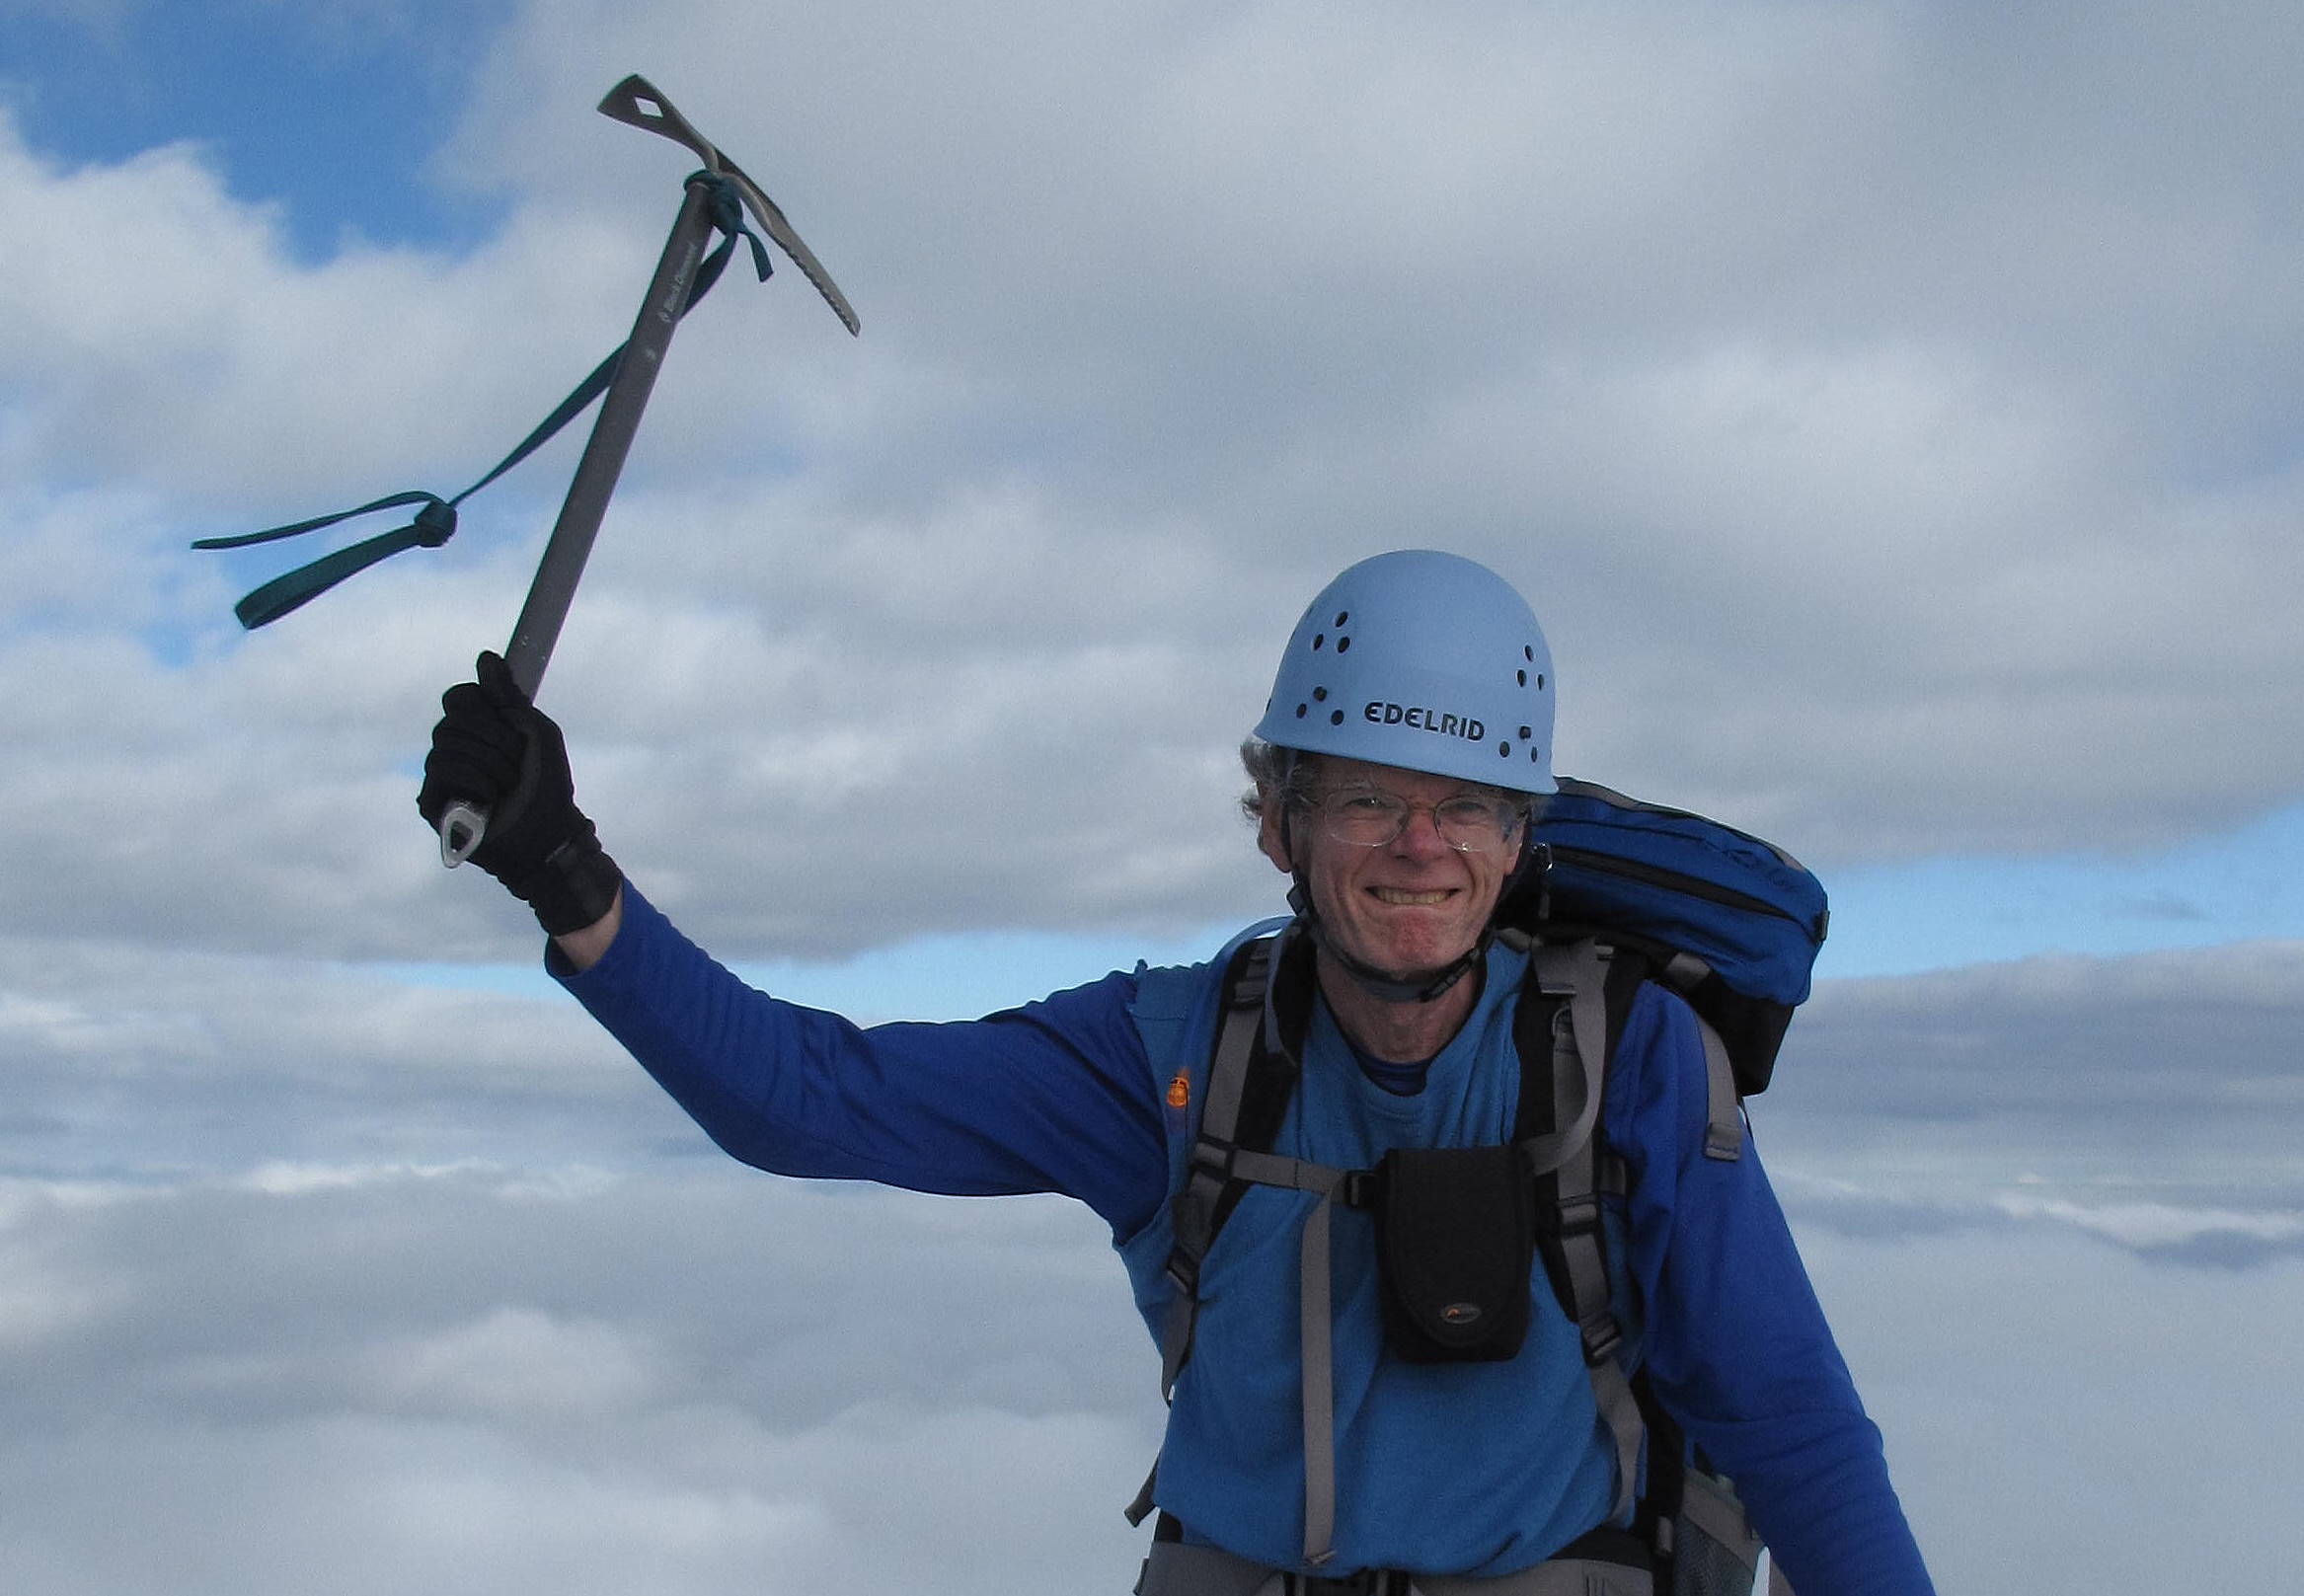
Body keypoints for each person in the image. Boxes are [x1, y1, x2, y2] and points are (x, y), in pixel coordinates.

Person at [419, 549, 1934, 1595]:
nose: (1420, 845)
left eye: (1466, 804)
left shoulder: (1626, 1056)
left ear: (1517, 836)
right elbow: (810, 1097)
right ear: (1278, 820)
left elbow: (1785, 1420)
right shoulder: (1166, 1054)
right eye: (1366, 797)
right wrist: (560, 866)